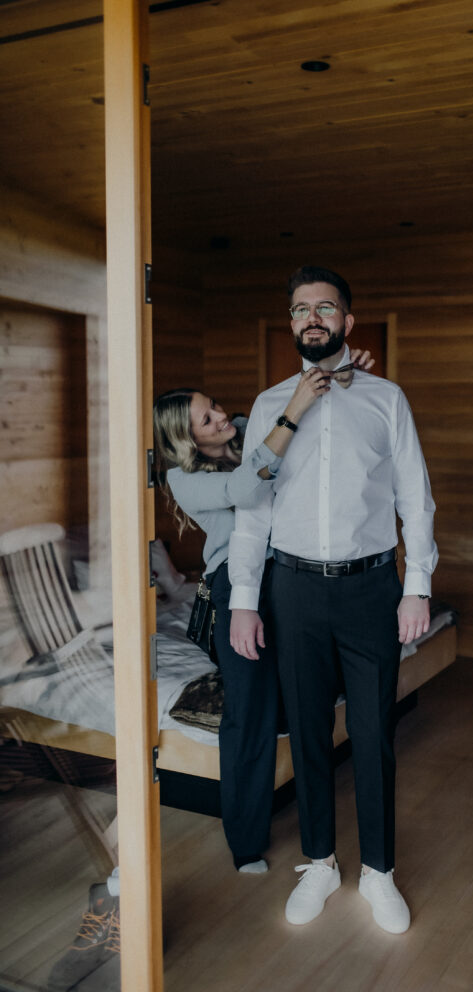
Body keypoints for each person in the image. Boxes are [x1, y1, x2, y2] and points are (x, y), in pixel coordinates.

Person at [229, 266, 437, 934]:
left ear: (347, 322)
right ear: (291, 324)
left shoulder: (385, 398)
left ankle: (378, 872)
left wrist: (417, 586)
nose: (310, 318)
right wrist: (242, 597)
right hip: (289, 588)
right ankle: (318, 861)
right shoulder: (267, 405)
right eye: (299, 310)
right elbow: (250, 506)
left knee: (373, 734)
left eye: (324, 308)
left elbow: (415, 499)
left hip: (370, 587)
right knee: (310, 733)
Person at [153, 367, 367, 873]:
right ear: (187, 439)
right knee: (247, 713)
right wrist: (293, 408)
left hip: (292, 576)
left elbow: (322, 426)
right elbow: (249, 489)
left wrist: (343, 371)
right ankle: (245, 842)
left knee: (318, 684)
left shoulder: (253, 426)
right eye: (208, 418)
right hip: (234, 589)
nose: (222, 416)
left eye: (216, 404)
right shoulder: (184, 480)